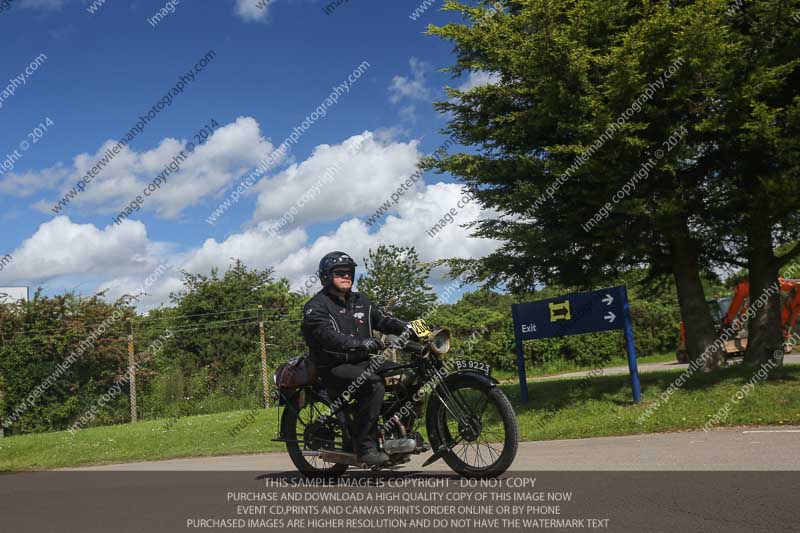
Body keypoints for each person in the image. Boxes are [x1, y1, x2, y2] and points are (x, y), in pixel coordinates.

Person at [301, 251, 415, 466]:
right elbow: (329, 337)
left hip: (364, 361)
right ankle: (365, 448)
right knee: (372, 385)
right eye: (339, 273)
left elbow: (388, 321)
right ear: (326, 277)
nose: (346, 276)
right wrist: (360, 343)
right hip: (334, 366)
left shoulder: (361, 300)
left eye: (349, 272)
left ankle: (397, 434)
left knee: (407, 375)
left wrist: (426, 331)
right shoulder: (315, 307)